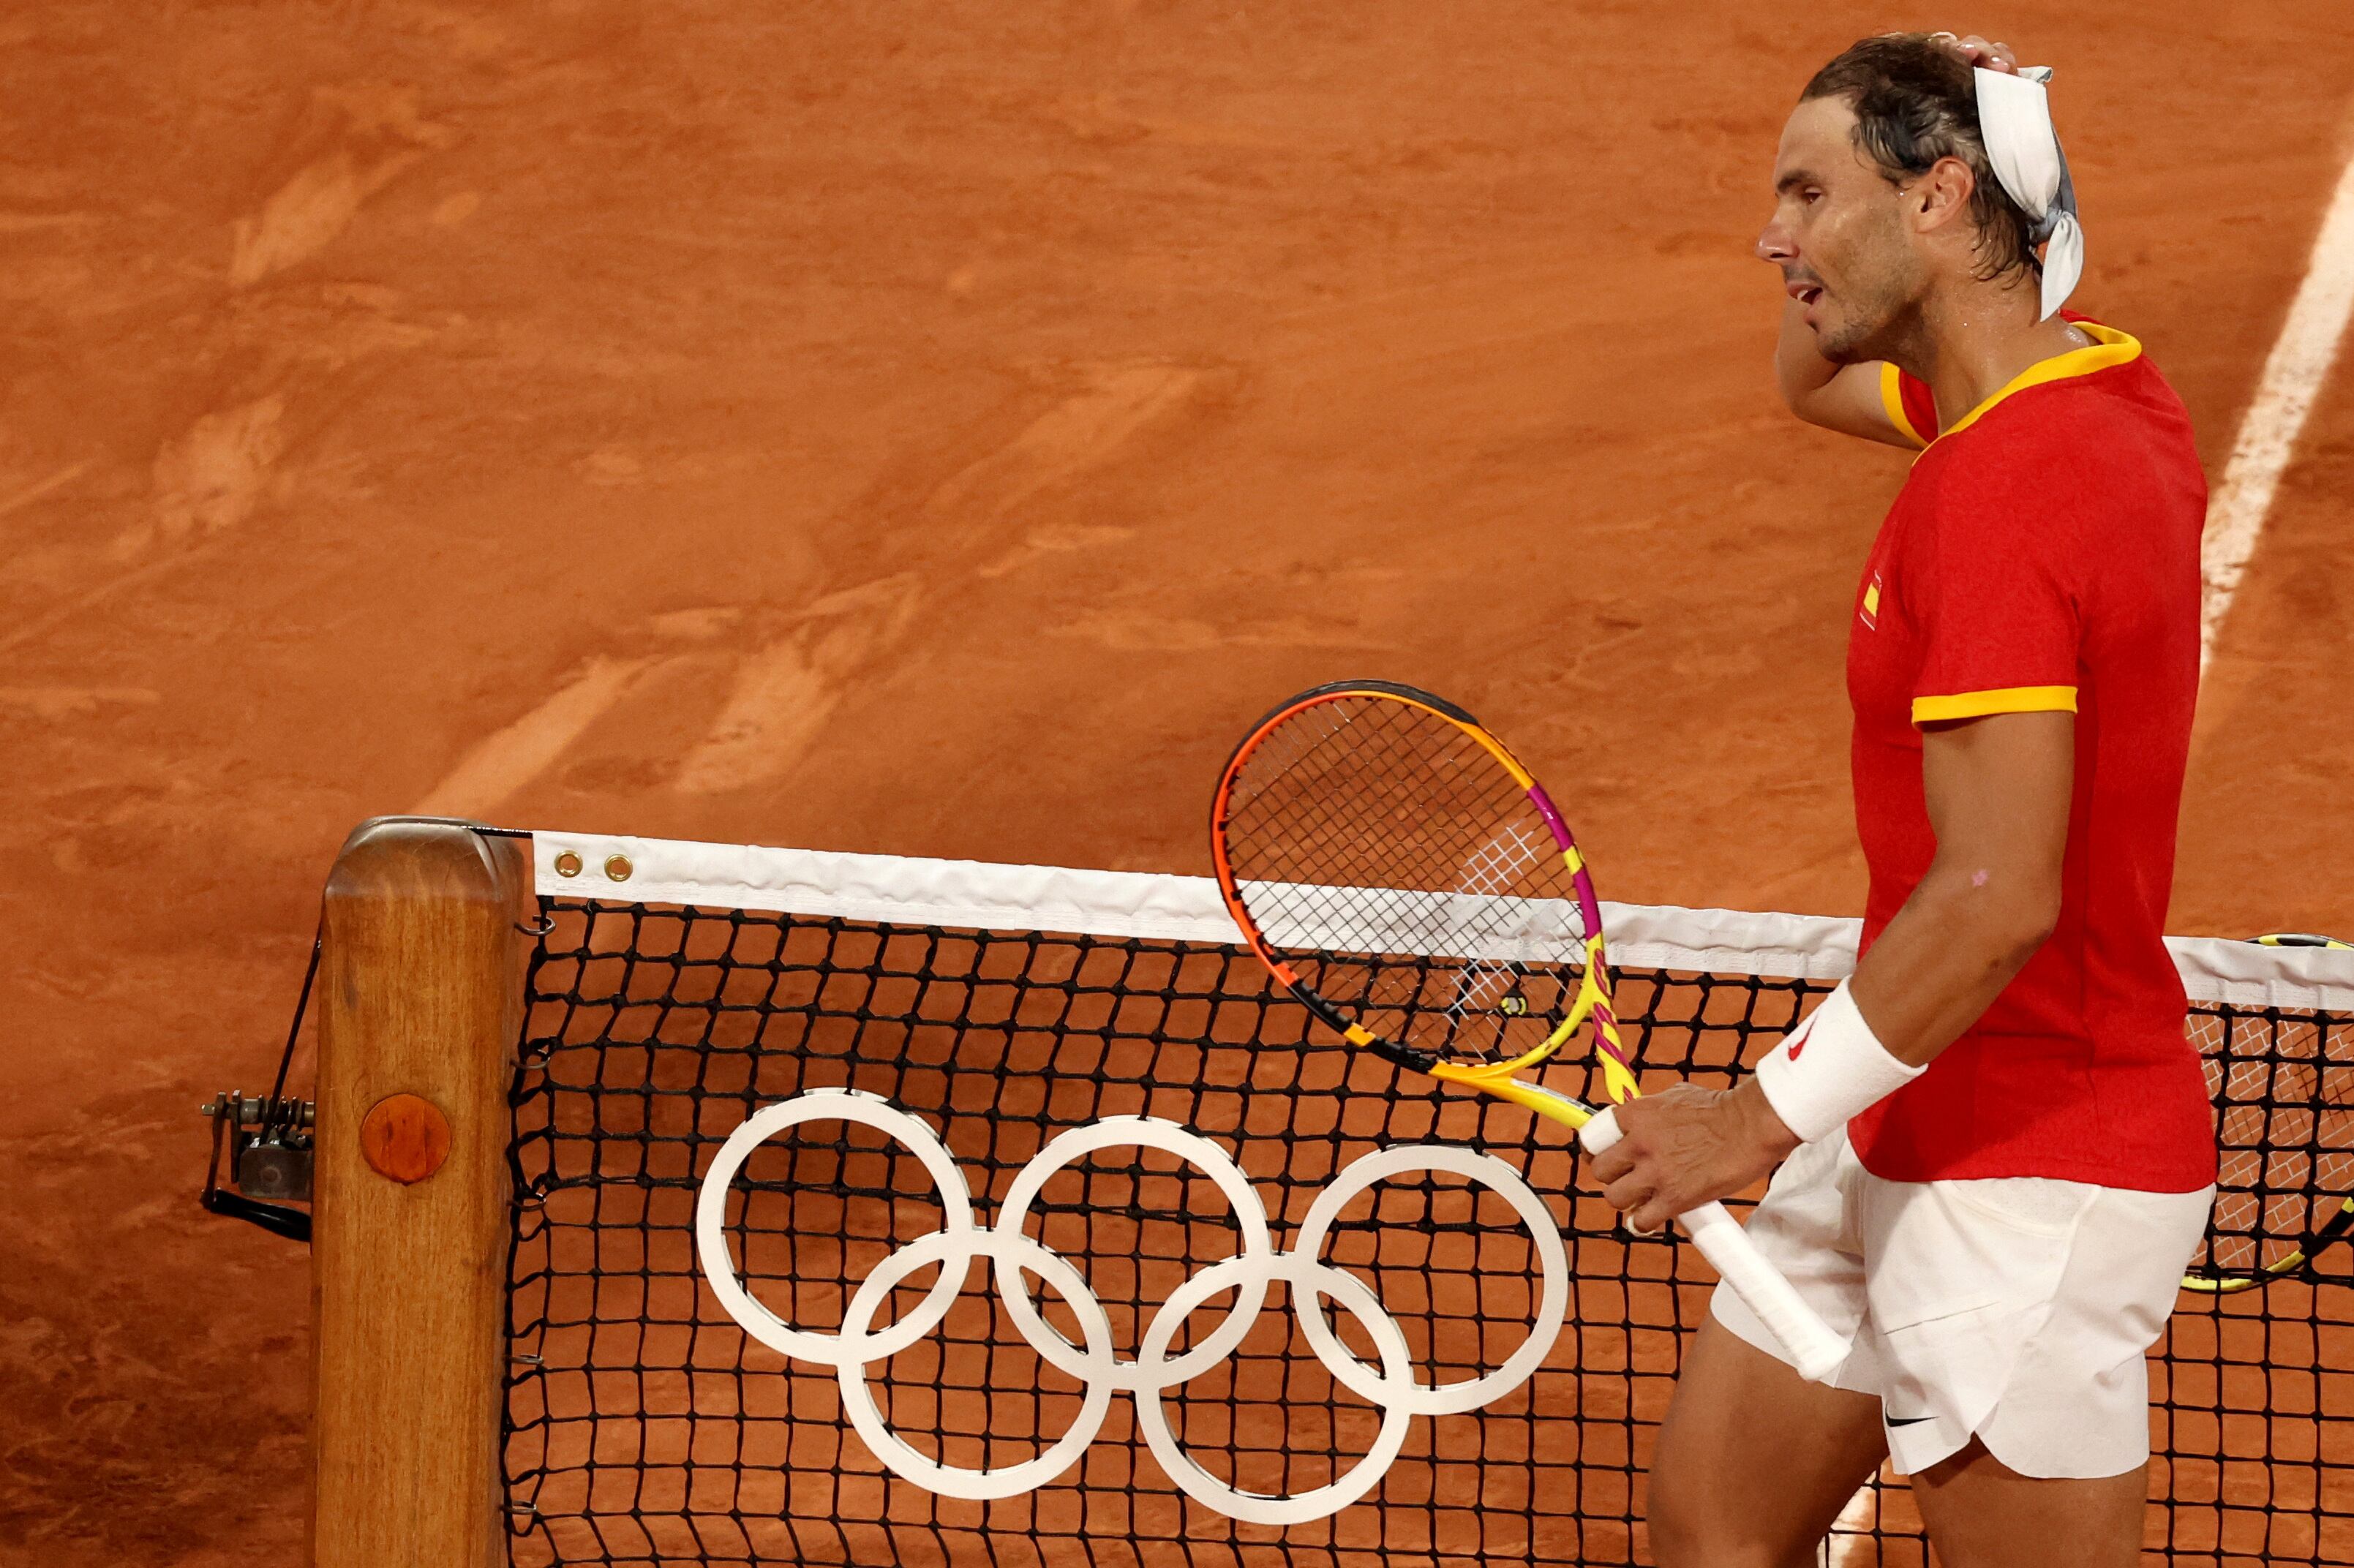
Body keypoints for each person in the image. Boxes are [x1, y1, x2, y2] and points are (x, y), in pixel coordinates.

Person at [1587, 31, 2219, 1568]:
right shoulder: (2088, 395)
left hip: (2032, 1165)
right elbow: (1813, 374)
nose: (1769, 235)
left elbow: (1998, 897)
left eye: (1806, 194)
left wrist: (1748, 1119)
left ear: (1938, 200)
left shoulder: (2004, 494)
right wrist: (1958, 186)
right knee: (1714, 1532)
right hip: (1899, 1099)